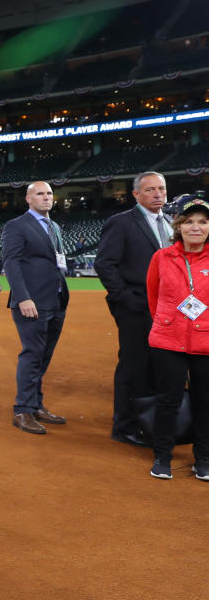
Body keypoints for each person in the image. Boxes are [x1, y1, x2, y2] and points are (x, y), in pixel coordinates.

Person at [94, 172, 169, 446]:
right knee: (134, 365)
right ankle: (124, 426)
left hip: (167, 309)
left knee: (155, 366)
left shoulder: (171, 223)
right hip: (136, 306)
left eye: (161, 188)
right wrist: (126, 298)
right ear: (136, 194)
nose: (158, 194)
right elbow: (104, 264)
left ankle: (146, 421)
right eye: (150, 190)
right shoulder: (121, 222)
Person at [144, 194, 209, 481]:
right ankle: (162, 457)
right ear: (179, 226)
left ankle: (204, 459)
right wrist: (168, 322)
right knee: (168, 400)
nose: (196, 227)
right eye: (190, 221)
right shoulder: (162, 257)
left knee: (204, 401)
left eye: (203, 222)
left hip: (205, 341)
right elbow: (153, 296)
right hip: (168, 340)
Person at [1, 181, 70, 434]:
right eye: (39, 194)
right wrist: (23, 298)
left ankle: (36, 404)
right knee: (32, 354)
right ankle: (23, 410)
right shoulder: (17, 226)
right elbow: (11, 262)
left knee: (43, 356)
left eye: (49, 193)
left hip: (56, 299)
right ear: (28, 199)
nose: (46, 197)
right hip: (32, 301)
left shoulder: (55, 227)